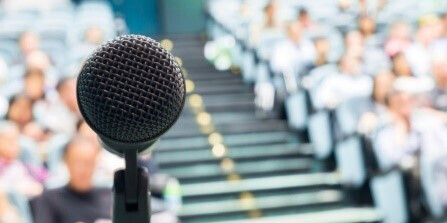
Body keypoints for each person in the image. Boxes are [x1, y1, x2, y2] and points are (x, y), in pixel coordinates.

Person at [34, 136, 113, 223]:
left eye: (88, 163)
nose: (83, 170)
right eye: (77, 163)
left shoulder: (109, 196)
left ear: (96, 163)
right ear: (66, 161)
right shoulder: (50, 198)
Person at [0, 121, 44, 198]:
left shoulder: (21, 164)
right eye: (9, 141)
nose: (15, 145)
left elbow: (43, 177)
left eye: (16, 140)